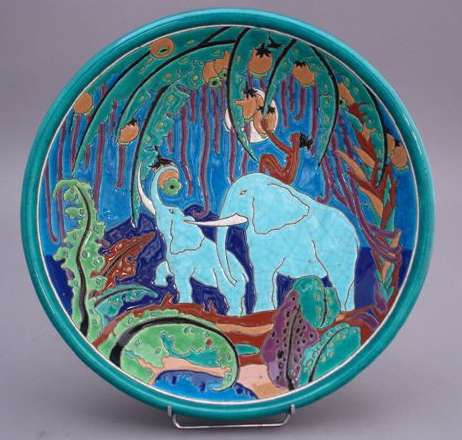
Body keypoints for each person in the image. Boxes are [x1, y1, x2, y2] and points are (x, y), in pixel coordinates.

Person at [258, 117, 312, 185]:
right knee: (268, 157)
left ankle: (260, 179)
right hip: (284, 174)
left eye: (296, 135)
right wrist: (267, 131)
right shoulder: (293, 152)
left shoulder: (294, 153)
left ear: (297, 140)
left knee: (265, 158)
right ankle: (261, 177)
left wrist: (266, 130)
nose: (292, 134)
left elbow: (278, 143)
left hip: (284, 177)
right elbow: (279, 144)